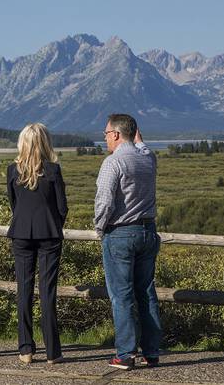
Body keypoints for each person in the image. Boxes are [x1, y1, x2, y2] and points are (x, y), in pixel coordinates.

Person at [94, 114, 162, 370]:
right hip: (148, 231)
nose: (105, 138)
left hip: (121, 232)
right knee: (146, 293)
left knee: (121, 296)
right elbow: (144, 148)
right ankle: (152, 351)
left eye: (105, 134)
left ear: (115, 134)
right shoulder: (148, 159)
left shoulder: (113, 163)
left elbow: (104, 201)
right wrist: (139, 141)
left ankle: (125, 353)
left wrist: (101, 229)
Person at [6, 123, 68, 364]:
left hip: (21, 233)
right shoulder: (53, 170)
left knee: (23, 290)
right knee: (47, 292)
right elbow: (62, 206)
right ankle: (52, 351)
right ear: (45, 142)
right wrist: (54, 223)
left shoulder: (13, 171)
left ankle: (25, 349)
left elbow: (13, 204)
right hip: (49, 234)